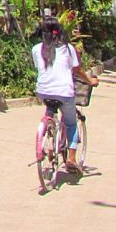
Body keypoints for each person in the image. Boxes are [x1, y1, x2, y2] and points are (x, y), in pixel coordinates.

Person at [31, 15, 98, 174]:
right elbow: (77, 70)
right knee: (70, 123)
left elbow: (40, 68)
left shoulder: (36, 49)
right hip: (64, 92)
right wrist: (90, 81)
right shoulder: (68, 49)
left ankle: (48, 126)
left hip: (42, 91)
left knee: (50, 106)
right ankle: (71, 159)